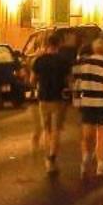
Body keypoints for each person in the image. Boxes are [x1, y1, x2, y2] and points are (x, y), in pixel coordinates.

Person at [71, 40, 103, 177]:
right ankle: (101, 165)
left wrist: (77, 102)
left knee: (87, 134)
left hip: (87, 103)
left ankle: (86, 157)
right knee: (102, 134)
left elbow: (76, 85)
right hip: (102, 104)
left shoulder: (81, 65)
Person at [30, 34, 72, 177]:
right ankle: (52, 158)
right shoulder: (64, 61)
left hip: (43, 99)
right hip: (59, 99)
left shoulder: (39, 61)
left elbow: (32, 80)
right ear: (59, 45)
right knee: (56, 131)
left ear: (47, 45)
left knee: (47, 130)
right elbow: (69, 80)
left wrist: (38, 84)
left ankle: (48, 158)